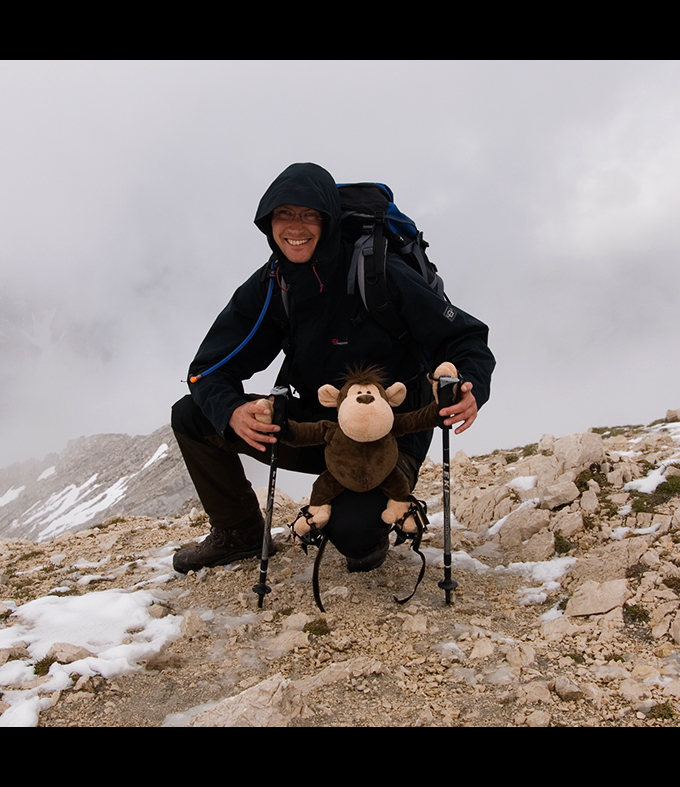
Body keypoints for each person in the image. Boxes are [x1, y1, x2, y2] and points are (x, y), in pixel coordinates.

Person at [171, 162, 495, 574]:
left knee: (355, 534)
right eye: (284, 214)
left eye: (309, 215)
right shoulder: (274, 285)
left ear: (328, 220)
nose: (296, 227)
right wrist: (231, 410)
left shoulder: (377, 273)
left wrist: (469, 386)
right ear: (267, 221)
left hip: (390, 431)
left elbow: (465, 337)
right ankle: (239, 534)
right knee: (193, 416)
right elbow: (209, 368)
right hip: (319, 429)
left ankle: (368, 520)